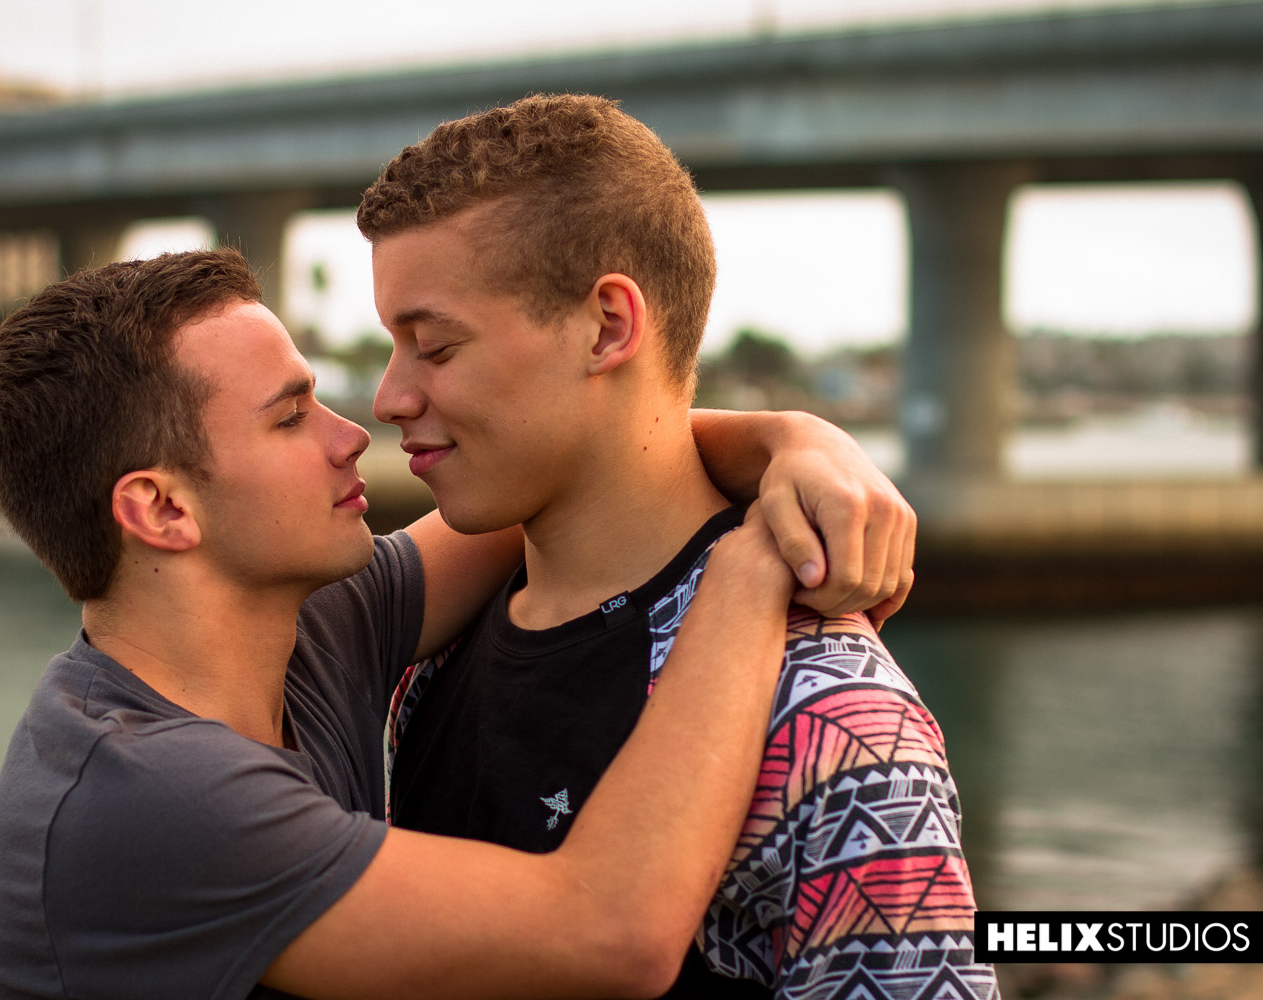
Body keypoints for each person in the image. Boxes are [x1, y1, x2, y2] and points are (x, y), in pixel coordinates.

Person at [0, 248, 913, 999]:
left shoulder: (302, 630)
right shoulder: (148, 799)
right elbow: (612, 934)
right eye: (291, 418)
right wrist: (751, 567)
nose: (353, 432)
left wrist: (795, 442)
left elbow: (595, 459)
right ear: (164, 509)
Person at [361, 94, 999, 999]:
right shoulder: (434, 644)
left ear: (608, 326)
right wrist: (787, 436)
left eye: (434, 347)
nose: (388, 398)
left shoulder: (832, 720)